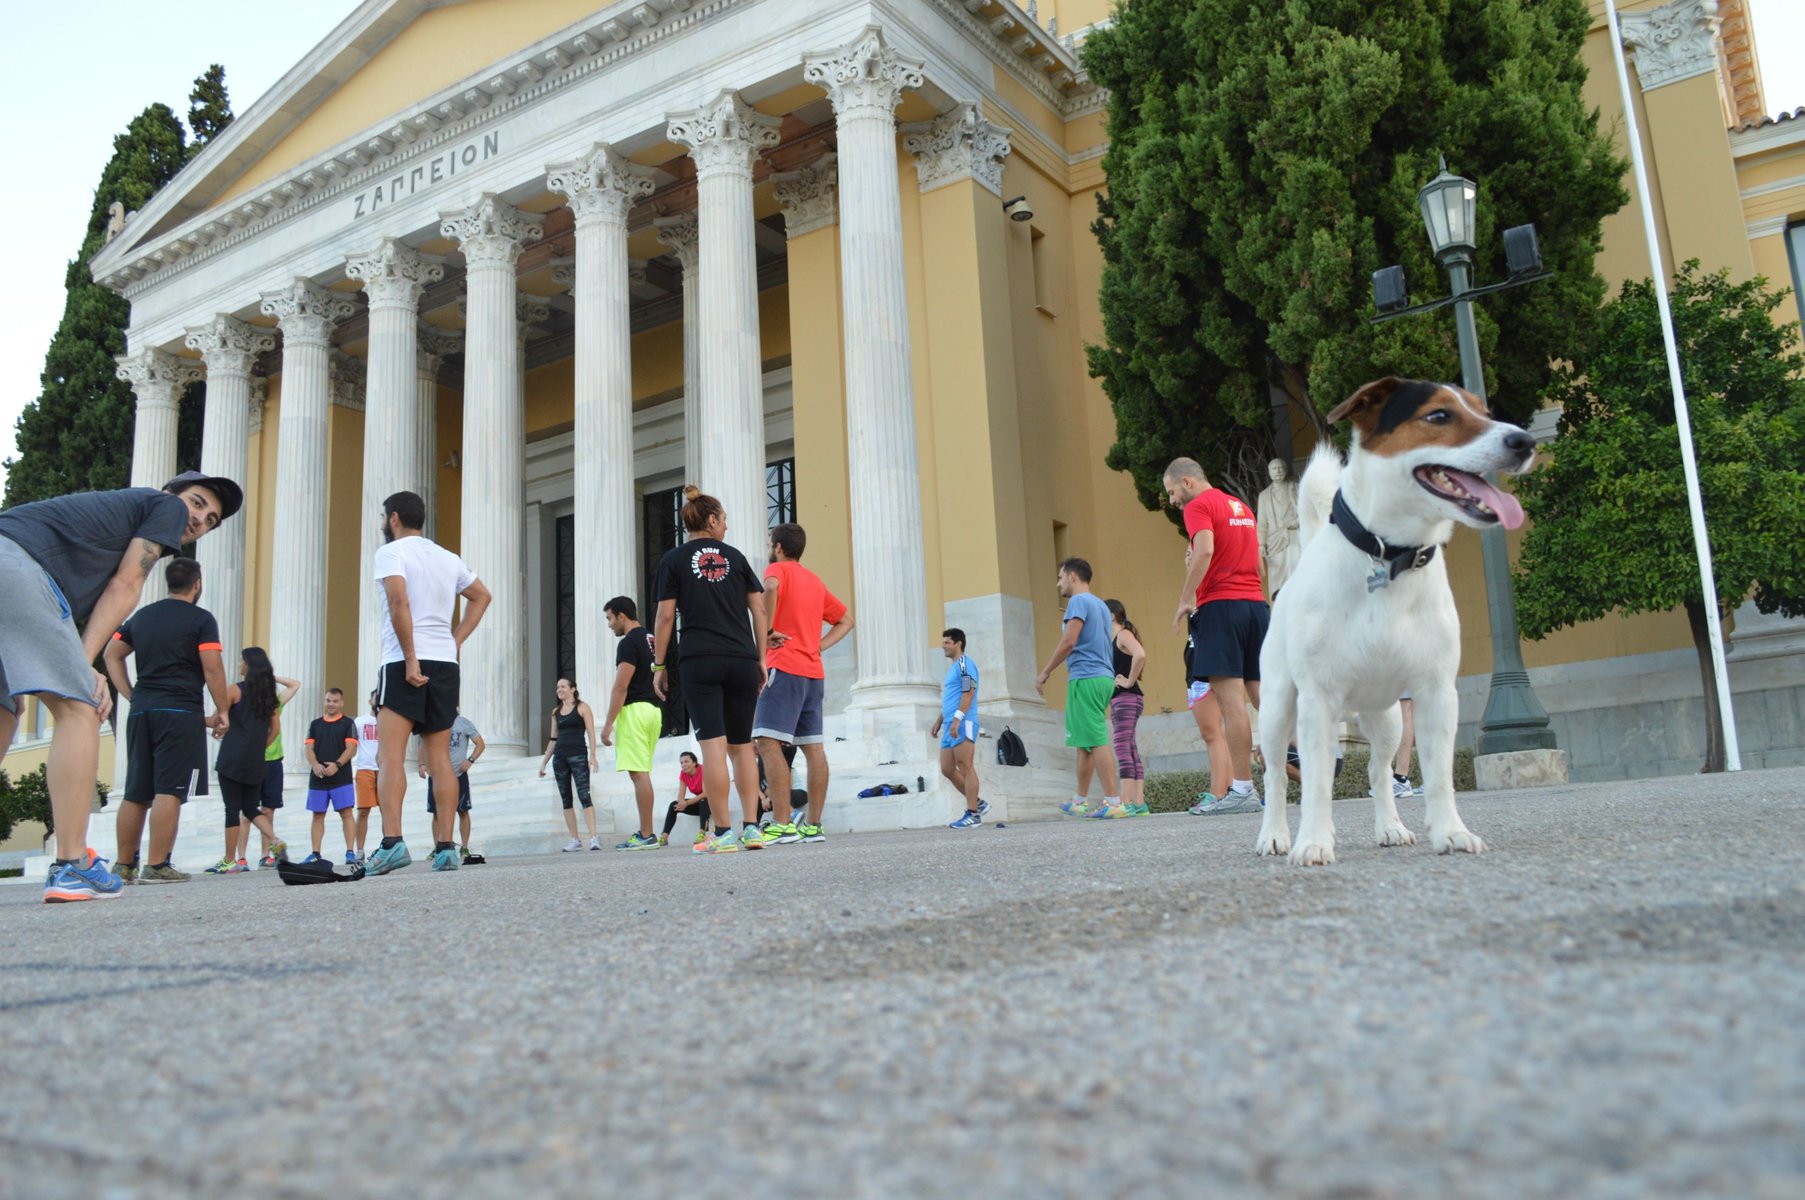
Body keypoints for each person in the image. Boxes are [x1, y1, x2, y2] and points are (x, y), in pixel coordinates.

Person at [0, 470, 240, 903]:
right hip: (18, 567)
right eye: (198, 502)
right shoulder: (162, 505)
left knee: (4, 712)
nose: (200, 520)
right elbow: (126, 584)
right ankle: (72, 863)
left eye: (211, 520)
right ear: (173, 493)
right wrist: (80, 663)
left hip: (9, 558)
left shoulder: (130, 513)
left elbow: (115, 644)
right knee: (80, 707)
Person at [368, 490, 491, 875]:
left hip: (406, 661)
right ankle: (446, 848)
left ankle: (392, 843)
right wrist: (454, 641)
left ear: (393, 519)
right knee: (441, 760)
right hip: (444, 663)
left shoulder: (391, 552)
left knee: (390, 756)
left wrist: (409, 658)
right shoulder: (447, 557)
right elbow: (482, 596)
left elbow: (398, 602)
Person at [650, 486, 768, 856]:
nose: (727, 527)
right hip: (741, 659)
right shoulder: (736, 558)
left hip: (701, 659)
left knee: (713, 749)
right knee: (742, 748)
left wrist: (659, 664)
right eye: (725, 520)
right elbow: (759, 611)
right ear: (712, 520)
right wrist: (761, 659)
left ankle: (723, 832)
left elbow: (666, 615)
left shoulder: (673, 559)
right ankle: (752, 829)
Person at [103, 554, 232, 883]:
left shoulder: (142, 617)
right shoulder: (201, 620)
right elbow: (212, 665)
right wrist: (222, 710)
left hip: (143, 710)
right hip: (180, 711)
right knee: (169, 790)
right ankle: (158, 865)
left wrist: (130, 694)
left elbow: (111, 654)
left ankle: (123, 865)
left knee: (136, 791)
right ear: (197, 585)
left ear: (169, 584)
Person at [1165, 457, 1268, 815]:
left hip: (1221, 609)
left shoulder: (1199, 506)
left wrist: (1185, 597)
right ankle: (1294, 769)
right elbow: (1259, 564)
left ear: (1188, 482)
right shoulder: (1241, 506)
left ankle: (1242, 790)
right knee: (1263, 698)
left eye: (1172, 491)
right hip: (1255, 606)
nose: (1173, 500)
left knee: (1232, 703)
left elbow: (1206, 549)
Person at [751, 523, 852, 846]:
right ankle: (813, 826)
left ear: (778, 546)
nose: (769, 547)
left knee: (767, 742)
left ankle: (782, 824)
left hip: (785, 667)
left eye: (770, 542)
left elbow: (768, 587)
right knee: (813, 748)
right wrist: (820, 645)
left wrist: (766, 632)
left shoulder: (777, 568)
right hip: (813, 672)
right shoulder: (814, 580)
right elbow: (846, 620)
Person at [1036, 558, 1123, 819]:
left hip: (1086, 677)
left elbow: (1069, 641)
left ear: (1073, 576)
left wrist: (1046, 671)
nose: (1058, 583)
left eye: (1061, 577)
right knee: (1085, 742)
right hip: (1101, 676)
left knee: (1095, 739)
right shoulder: (1099, 604)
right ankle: (1080, 800)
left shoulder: (1078, 602)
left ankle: (1113, 802)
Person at [207, 646, 289, 874]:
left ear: (249, 665)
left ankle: (229, 860)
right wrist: (257, 747)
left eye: (241, 660)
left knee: (232, 809)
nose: (239, 664)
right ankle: (275, 840)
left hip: (231, 758)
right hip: (256, 761)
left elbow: (217, 720)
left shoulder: (234, 691)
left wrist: (195, 718)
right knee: (251, 807)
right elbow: (274, 730)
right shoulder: (269, 698)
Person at [600, 598, 664, 851]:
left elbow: (621, 685)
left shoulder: (628, 642)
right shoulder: (651, 638)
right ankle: (646, 832)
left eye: (610, 618)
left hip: (635, 710)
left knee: (638, 774)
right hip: (654, 710)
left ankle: (647, 834)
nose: (609, 625)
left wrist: (607, 725)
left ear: (621, 616)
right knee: (642, 772)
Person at [932, 629, 988, 829]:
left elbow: (968, 692)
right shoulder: (953, 668)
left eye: (947, 642)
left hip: (963, 722)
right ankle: (978, 803)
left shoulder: (965, 664)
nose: (943, 646)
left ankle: (973, 814)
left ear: (958, 643)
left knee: (965, 765)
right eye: (944, 642)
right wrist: (940, 720)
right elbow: (951, 698)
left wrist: (957, 719)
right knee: (947, 768)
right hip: (950, 724)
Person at [539, 677, 600, 851]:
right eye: (557, 687)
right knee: (566, 800)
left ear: (572, 689)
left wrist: (593, 755)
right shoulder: (555, 712)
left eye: (563, 686)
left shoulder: (582, 707)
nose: (559, 689)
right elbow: (553, 739)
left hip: (578, 756)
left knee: (584, 796)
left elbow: (591, 733)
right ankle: (575, 839)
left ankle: (594, 837)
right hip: (560, 758)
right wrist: (544, 762)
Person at [1106, 599, 1151, 818]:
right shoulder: (1114, 638)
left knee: (1122, 748)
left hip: (1126, 697)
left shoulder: (1122, 635)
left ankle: (1124, 803)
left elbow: (1140, 654)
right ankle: (1138, 802)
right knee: (1130, 748)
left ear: (1113, 615)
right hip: (1125, 698)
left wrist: (1128, 681)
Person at [303, 688, 358, 863]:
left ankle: (350, 852)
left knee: (346, 813)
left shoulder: (348, 723)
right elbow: (309, 749)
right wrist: (315, 765)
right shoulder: (315, 724)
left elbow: (351, 748)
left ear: (341, 703)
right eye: (328, 700)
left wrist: (337, 765)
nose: (331, 704)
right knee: (317, 815)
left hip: (341, 778)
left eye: (335, 701)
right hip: (318, 778)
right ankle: (315, 853)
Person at [254, 672, 303, 867]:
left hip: (273, 760)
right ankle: (240, 857)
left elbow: (295, 684)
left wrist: (271, 676)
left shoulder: (274, 703)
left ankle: (267, 855)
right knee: (247, 811)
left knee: (268, 810)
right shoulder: (249, 703)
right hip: (253, 760)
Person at [423, 712, 483, 861]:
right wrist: (422, 764)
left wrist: (470, 760)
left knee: (463, 811)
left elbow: (480, 744)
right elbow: (424, 744)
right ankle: (438, 847)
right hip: (437, 774)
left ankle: (464, 847)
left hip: (458, 774)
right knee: (436, 813)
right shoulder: (434, 721)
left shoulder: (463, 723)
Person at [350, 690, 382, 864]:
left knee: (387, 810)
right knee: (363, 811)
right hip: (365, 768)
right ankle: (360, 849)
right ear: (370, 700)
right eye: (375, 697)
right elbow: (352, 744)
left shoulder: (388, 721)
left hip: (384, 769)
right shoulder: (360, 721)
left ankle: (388, 845)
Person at [659, 750, 707, 846]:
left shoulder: (703, 770)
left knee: (703, 801)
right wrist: (681, 803)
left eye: (686, 761)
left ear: (694, 763)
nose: (683, 765)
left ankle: (702, 834)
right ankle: (664, 837)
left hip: (712, 803)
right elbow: (680, 796)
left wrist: (687, 803)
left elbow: (706, 794)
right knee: (674, 805)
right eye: (681, 763)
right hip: (699, 804)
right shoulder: (683, 774)